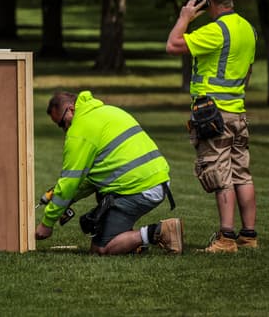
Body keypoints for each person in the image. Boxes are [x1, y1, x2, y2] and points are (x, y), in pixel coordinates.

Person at [166, 0, 259, 252]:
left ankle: (226, 238)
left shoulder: (216, 31)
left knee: (220, 174)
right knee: (242, 173)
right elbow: (248, 72)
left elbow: (172, 45)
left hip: (213, 115)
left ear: (209, 0)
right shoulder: (248, 29)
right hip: (238, 111)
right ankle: (249, 235)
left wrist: (185, 17)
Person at [36, 90, 183, 255]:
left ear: (71, 110)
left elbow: (69, 182)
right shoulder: (107, 111)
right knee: (102, 194)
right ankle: (130, 240)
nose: (64, 129)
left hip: (140, 188)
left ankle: (161, 231)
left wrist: (46, 224)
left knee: (102, 248)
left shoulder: (79, 130)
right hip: (157, 180)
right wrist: (67, 199)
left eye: (62, 123)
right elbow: (89, 181)